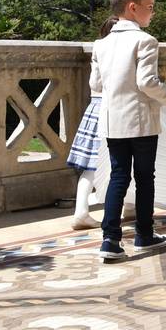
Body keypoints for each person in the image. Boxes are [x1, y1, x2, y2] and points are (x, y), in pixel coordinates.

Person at [90, 0, 166, 261]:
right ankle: (144, 235)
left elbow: (95, 84)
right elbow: (147, 82)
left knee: (118, 177)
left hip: (112, 122)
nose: (153, 12)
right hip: (141, 121)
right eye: (150, 6)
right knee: (144, 178)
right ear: (133, 8)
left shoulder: (100, 44)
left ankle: (110, 240)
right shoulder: (146, 41)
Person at [66, 17, 135, 230]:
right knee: (127, 160)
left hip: (94, 110)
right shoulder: (121, 53)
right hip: (114, 111)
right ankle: (130, 206)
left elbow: (94, 83)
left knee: (90, 167)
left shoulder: (99, 50)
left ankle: (81, 211)